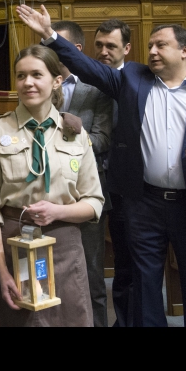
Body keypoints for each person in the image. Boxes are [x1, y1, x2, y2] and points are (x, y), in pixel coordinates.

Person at [17, 4, 186, 327]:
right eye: (150, 45)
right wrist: (49, 35)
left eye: (161, 45)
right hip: (146, 206)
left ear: (185, 51)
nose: (152, 51)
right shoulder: (132, 80)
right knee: (145, 294)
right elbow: (87, 67)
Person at [0, 45, 105, 328]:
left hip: (64, 246)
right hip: (13, 245)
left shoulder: (75, 134)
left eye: (37, 74)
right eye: (21, 76)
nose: (28, 83)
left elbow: (94, 201)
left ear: (56, 80)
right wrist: (2, 272)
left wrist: (56, 212)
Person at [53, 21, 113, 328]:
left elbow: (103, 139)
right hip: (46, 194)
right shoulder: (41, 84)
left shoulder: (96, 89)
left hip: (86, 193)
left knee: (90, 274)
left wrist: (73, 131)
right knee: (51, 274)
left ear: (74, 50)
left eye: (55, 45)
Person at [94, 19, 135, 328]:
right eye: (99, 45)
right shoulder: (88, 82)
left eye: (111, 46)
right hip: (90, 182)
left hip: (127, 187)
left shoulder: (139, 81)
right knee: (91, 261)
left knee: (127, 263)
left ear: (127, 48)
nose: (104, 51)